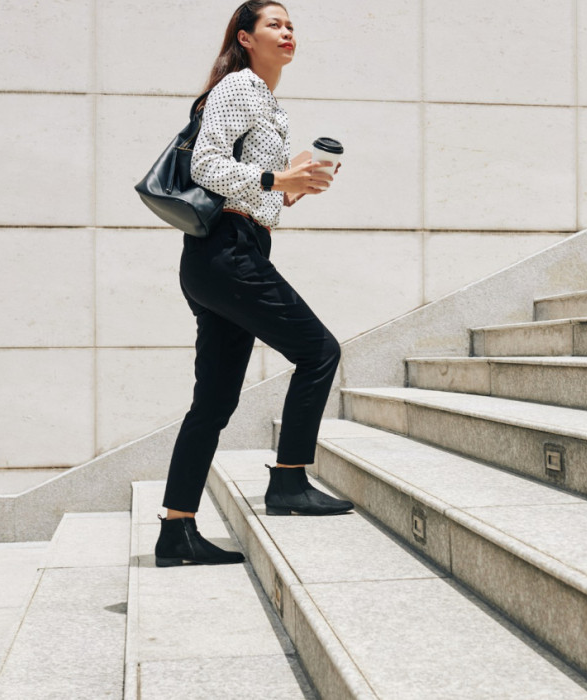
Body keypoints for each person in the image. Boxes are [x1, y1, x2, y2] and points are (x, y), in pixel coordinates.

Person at [154, 1, 355, 568]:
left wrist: (288, 190)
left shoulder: (266, 102)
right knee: (319, 351)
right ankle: (289, 480)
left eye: (291, 26)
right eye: (274, 24)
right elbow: (206, 168)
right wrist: (275, 177)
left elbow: (246, 186)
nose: (287, 32)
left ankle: (176, 532)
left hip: (227, 251)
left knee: (213, 403)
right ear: (245, 38)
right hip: (227, 252)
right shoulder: (240, 87)